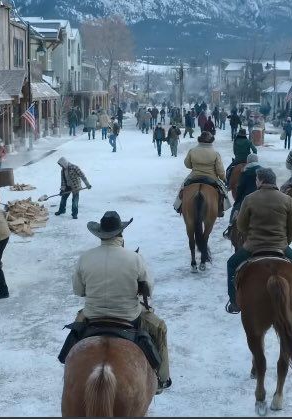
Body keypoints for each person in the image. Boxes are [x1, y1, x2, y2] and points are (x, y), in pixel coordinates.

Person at [71, 211, 172, 393]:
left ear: (100, 234)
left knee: (75, 332)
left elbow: (79, 291)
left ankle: (68, 361)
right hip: (128, 315)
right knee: (160, 327)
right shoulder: (134, 258)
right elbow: (149, 288)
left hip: (92, 315)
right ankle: (162, 379)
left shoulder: (85, 258)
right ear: (120, 233)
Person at [225, 168, 292, 314]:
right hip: (280, 245)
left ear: (260, 181)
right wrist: (285, 242)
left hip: (253, 246)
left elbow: (241, 225)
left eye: (256, 180)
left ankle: (234, 301)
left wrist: (250, 236)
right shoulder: (287, 199)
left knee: (231, 264)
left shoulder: (249, 199)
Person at [173, 132, 230, 216]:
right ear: (211, 141)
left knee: (182, 188)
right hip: (211, 177)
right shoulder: (215, 153)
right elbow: (219, 170)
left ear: (199, 140)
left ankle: (179, 206)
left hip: (194, 176)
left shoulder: (192, 151)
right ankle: (220, 209)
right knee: (223, 192)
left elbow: (187, 164)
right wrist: (224, 179)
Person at [225, 153, 262, 233]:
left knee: (236, 207)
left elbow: (240, 188)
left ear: (248, 162)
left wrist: (238, 200)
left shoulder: (244, 173)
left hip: (247, 198)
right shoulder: (263, 171)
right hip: (261, 197)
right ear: (257, 160)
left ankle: (230, 228)